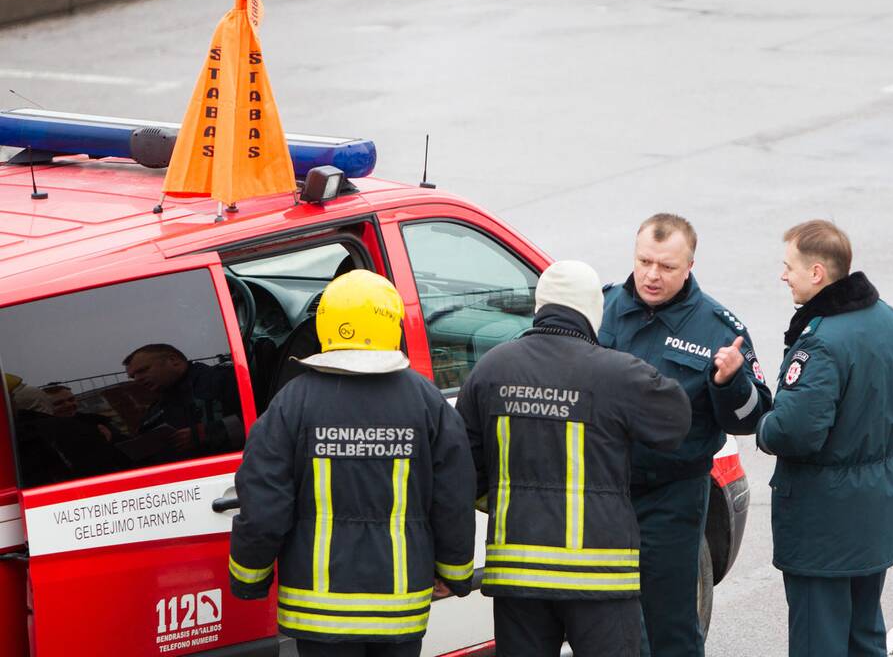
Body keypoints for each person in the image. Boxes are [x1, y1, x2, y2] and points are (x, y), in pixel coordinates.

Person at [228, 270, 476, 657]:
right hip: (399, 606)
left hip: (318, 610)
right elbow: (454, 497)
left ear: (326, 323)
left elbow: (263, 505)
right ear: (390, 323)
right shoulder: (426, 402)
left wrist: (250, 577)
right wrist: (453, 571)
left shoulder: (292, 403)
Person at [456, 260, 692, 657]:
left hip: (518, 573)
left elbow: (465, 471)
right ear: (591, 312)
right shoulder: (617, 373)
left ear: (539, 306)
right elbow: (675, 422)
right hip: (599, 575)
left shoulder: (491, 368)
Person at [598, 213, 773, 657]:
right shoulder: (603, 307)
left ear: (689, 265)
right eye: (644, 261)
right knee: (602, 622)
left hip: (671, 497)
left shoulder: (719, 328)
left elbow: (753, 418)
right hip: (603, 489)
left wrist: (730, 382)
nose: (652, 275)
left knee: (669, 624)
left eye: (667, 266)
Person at [756, 220, 893, 657]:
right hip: (873, 515)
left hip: (821, 527)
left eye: (788, 265)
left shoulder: (823, 341)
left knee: (820, 641)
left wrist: (763, 427)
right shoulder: (889, 319)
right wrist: (876, 471)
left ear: (817, 273)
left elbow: (794, 431)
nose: (782, 275)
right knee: (864, 636)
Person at [122, 343, 244, 461]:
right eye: (133, 376)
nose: (137, 379)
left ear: (173, 360)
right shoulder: (155, 410)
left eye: (143, 370)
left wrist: (206, 433)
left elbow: (258, 419)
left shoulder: (224, 379)